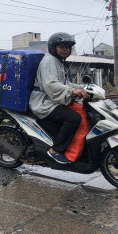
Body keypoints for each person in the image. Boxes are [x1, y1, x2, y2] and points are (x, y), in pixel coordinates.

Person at [29, 33, 89, 164]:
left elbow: (64, 83)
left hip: (50, 100)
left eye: (68, 47)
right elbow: (51, 85)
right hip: (43, 102)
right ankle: (55, 150)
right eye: (62, 46)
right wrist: (73, 90)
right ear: (53, 47)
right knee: (73, 117)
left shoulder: (58, 62)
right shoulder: (49, 61)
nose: (66, 49)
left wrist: (83, 87)